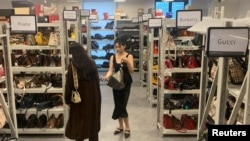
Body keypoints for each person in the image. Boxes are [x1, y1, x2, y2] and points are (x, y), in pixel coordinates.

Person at [64, 43, 101, 141]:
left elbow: (69, 86)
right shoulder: (92, 63)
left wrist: (67, 100)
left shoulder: (73, 67)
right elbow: (97, 82)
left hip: (79, 101)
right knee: (93, 127)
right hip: (93, 99)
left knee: (80, 128)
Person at [102, 36, 134, 138]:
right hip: (116, 83)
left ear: (124, 46)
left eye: (119, 47)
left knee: (123, 105)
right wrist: (106, 76)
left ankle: (127, 127)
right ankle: (120, 126)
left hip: (126, 83)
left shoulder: (129, 56)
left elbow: (132, 70)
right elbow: (111, 70)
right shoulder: (113, 57)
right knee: (117, 104)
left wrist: (127, 61)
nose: (117, 49)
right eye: (116, 47)